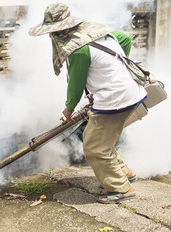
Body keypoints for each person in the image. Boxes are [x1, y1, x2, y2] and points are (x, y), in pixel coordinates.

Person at [28, 3, 147, 204]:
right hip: (130, 92)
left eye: (52, 31)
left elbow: (76, 85)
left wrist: (68, 109)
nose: (50, 36)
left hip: (114, 99)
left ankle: (121, 189)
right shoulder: (95, 31)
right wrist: (114, 69)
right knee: (100, 139)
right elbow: (125, 39)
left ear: (62, 29)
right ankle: (125, 172)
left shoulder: (77, 50)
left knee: (94, 147)